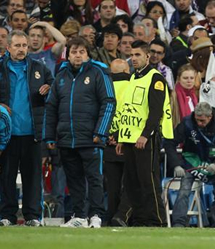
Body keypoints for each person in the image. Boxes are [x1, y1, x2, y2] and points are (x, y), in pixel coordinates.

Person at [0, 30, 54, 227]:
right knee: (6, 177)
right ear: (8, 47)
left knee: (33, 178)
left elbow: (54, 89)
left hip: (33, 133)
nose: (21, 49)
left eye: (24, 46)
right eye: (17, 46)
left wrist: (48, 89)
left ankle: (33, 217)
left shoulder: (40, 68)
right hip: (6, 133)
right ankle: (7, 215)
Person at [44, 37, 115, 228]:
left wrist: (100, 133)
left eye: (81, 52)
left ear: (87, 54)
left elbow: (109, 102)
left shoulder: (99, 72)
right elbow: (51, 107)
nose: (77, 55)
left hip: (91, 138)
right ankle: (79, 216)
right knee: (74, 180)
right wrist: (49, 136)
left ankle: (96, 216)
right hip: (67, 139)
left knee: (95, 179)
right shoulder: (60, 75)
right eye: (74, 51)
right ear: (68, 54)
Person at [115, 40, 174, 227]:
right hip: (130, 137)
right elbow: (127, 110)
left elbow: (156, 112)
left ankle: (157, 220)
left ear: (148, 56)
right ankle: (138, 219)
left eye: (138, 55)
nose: (133, 58)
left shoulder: (155, 78)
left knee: (148, 181)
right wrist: (121, 138)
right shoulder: (133, 78)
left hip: (145, 139)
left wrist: (145, 134)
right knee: (131, 181)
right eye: (132, 55)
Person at [163, 102, 215, 227]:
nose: (199, 123)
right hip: (192, 162)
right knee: (184, 189)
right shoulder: (187, 123)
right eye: (197, 120)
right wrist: (176, 165)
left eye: (202, 121)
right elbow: (169, 143)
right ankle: (178, 224)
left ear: (210, 117)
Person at [105, 58, 133, 227]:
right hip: (128, 141)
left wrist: (107, 134)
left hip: (108, 141)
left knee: (112, 186)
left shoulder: (105, 87)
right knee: (130, 183)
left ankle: (112, 217)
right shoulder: (133, 86)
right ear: (126, 72)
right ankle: (123, 216)